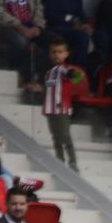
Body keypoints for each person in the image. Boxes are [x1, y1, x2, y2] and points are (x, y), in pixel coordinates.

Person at [42, 36, 83, 170]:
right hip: (50, 109)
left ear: (66, 54)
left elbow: (75, 76)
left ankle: (72, 162)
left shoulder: (63, 69)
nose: (56, 55)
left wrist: (74, 76)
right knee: (56, 137)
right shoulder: (49, 72)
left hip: (61, 108)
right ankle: (59, 160)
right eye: (53, 52)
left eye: (60, 52)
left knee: (65, 136)